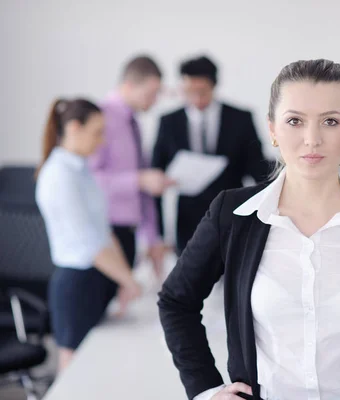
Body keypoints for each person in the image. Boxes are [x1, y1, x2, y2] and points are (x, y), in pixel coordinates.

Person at [158, 59, 340, 400]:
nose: (312, 139)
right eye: (295, 121)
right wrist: (205, 388)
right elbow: (176, 301)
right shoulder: (232, 214)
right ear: (273, 130)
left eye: (331, 121)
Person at [36, 99, 142, 372]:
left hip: (96, 279)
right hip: (75, 285)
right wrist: (129, 282)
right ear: (74, 128)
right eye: (97, 132)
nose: (102, 141)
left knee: (97, 369)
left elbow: (104, 232)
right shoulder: (59, 175)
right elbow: (90, 244)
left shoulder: (82, 171)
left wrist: (125, 279)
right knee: (73, 375)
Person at [151, 55, 272, 254]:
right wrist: (159, 235)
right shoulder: (169, 122)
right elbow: (156, 177)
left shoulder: (240, 119)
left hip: (232, 216)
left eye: (202, 92)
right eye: (189, 92)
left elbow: (257, 169)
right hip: (187, 224)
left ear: (214, 86)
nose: (196, 99)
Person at [90, 55, 173, 278]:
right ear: (128, 86)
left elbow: (143, 186)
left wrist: (153, 239)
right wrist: (139, 180)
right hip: (105, 234)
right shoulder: (99, 119)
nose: (154, 101)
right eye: (150, 94)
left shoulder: (133, 123)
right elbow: (89, 180)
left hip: (129, 233)